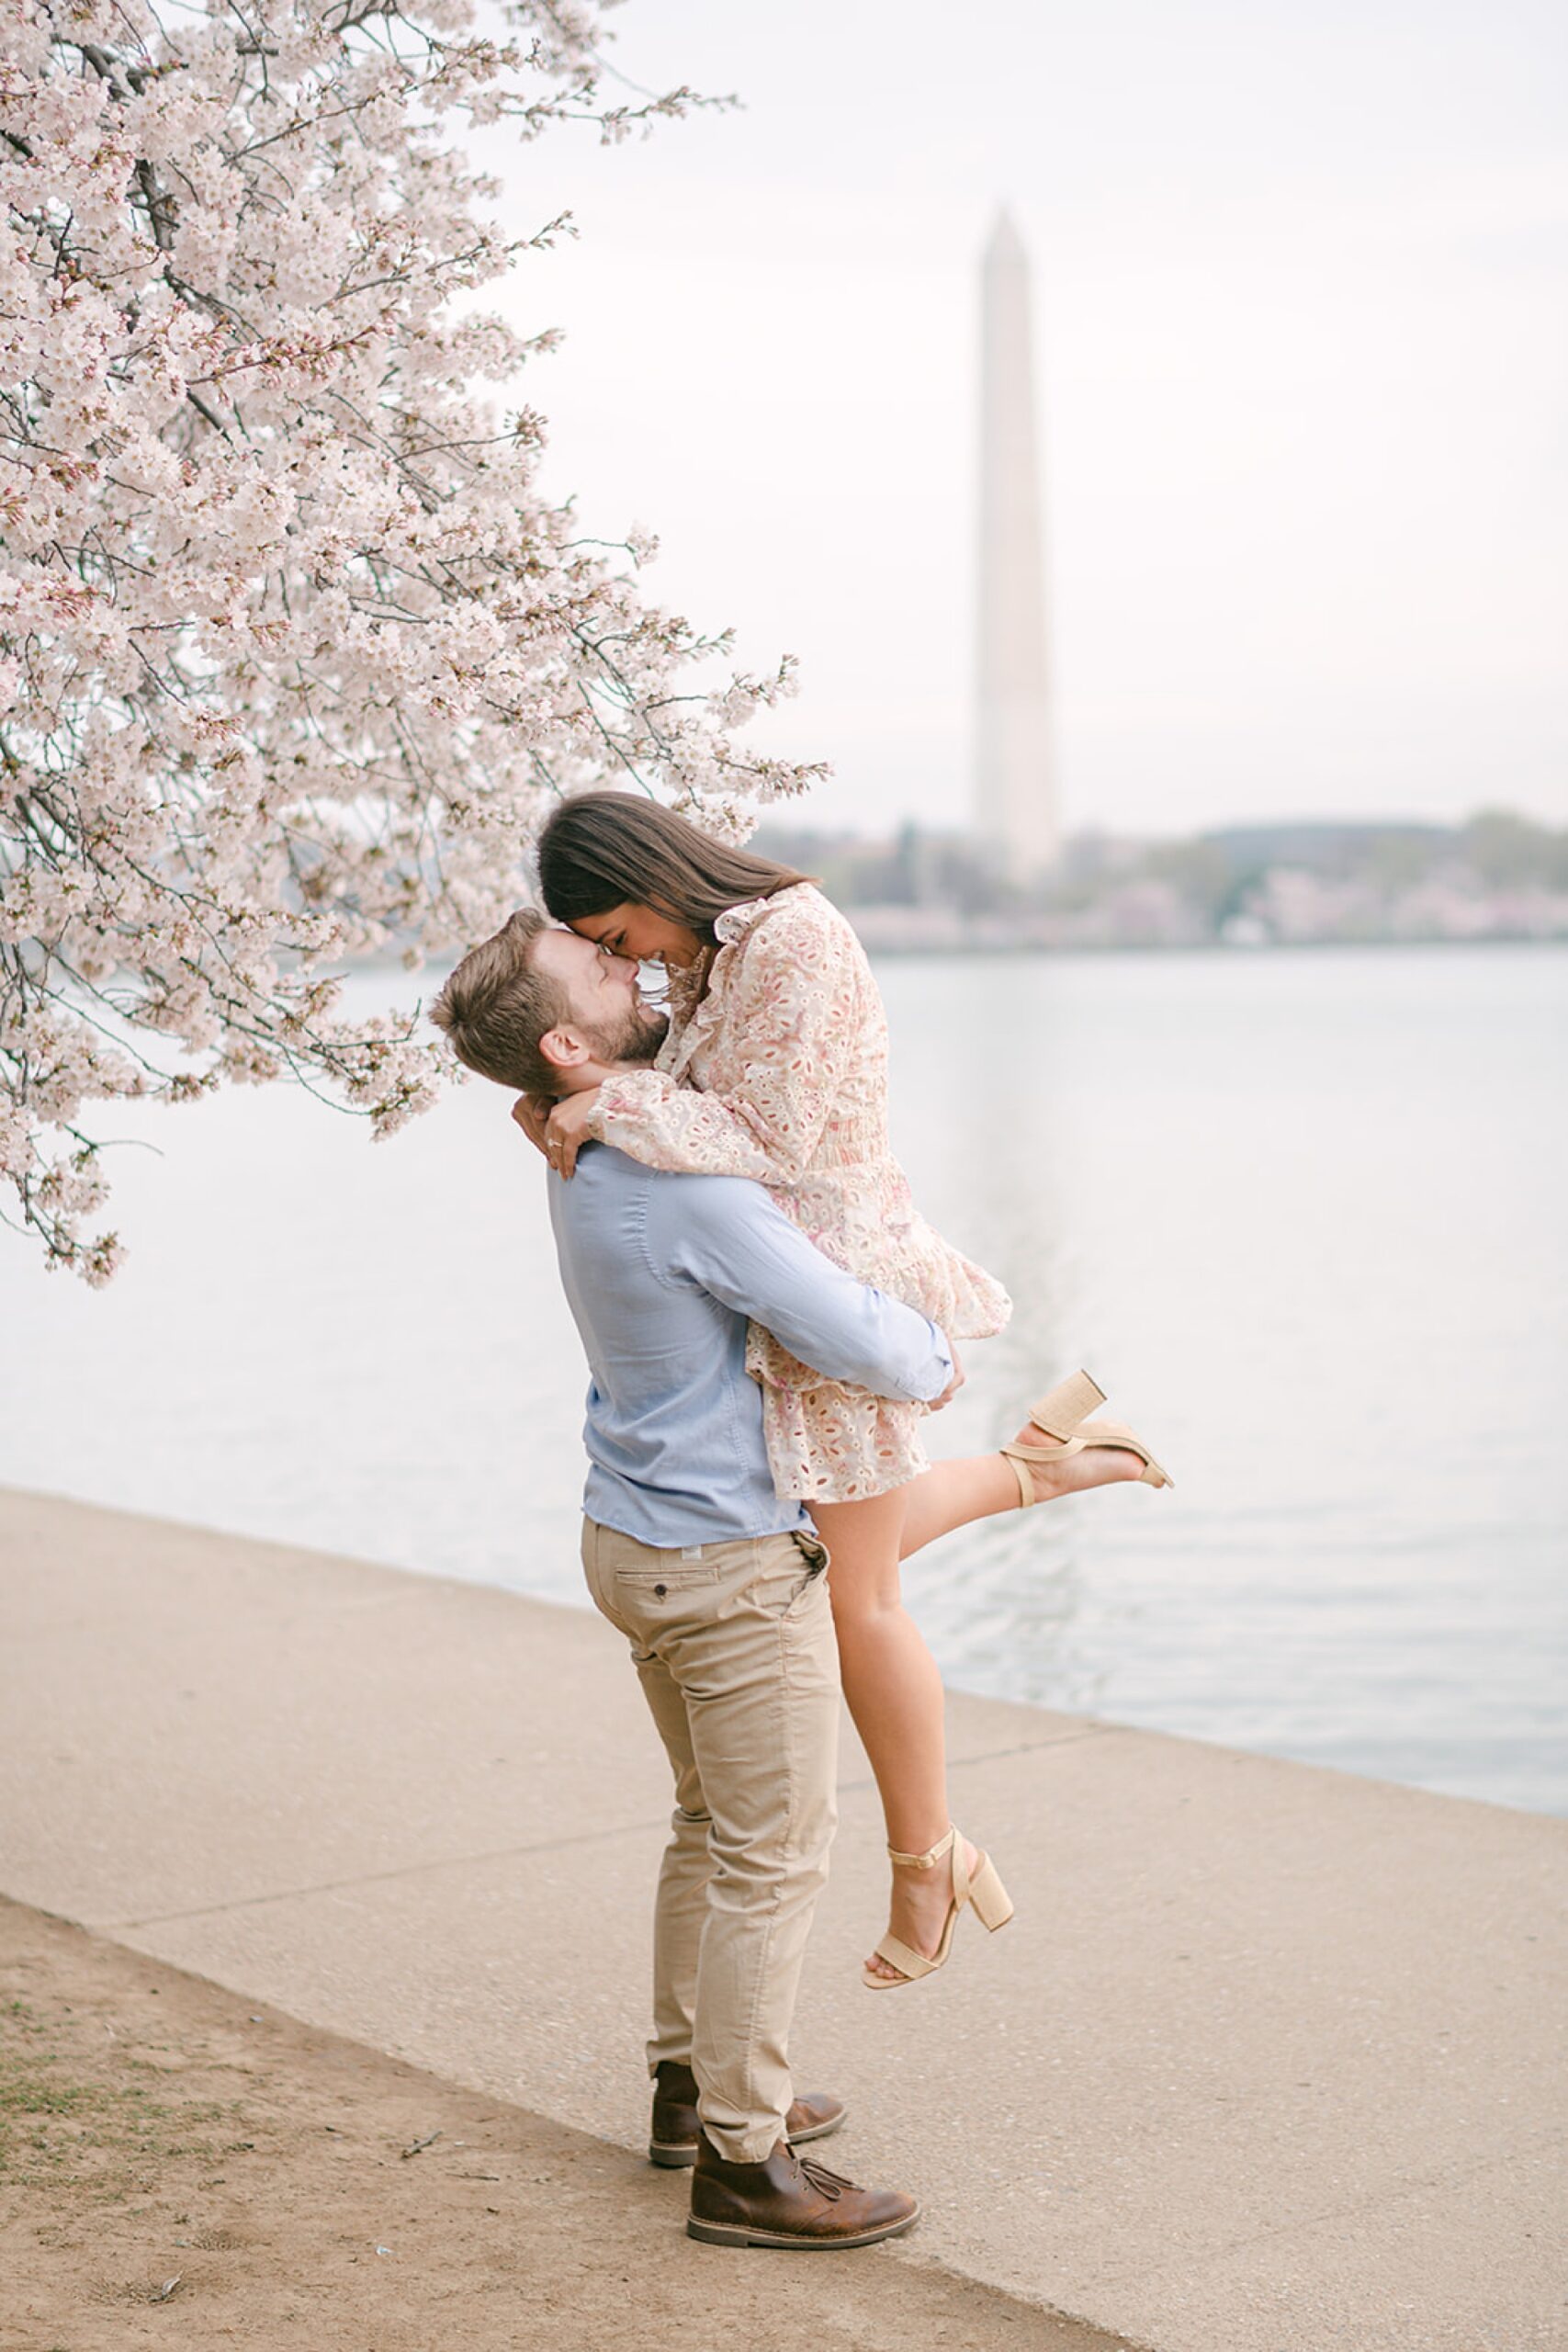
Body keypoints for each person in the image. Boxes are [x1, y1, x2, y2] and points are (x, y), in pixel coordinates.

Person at [429, 911, 1148, 2245]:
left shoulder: (581, 1148)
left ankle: (684, 2087)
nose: (636, 969)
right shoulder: (677, 1184)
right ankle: (742, 2164)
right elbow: (868, 1345)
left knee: (709, 1826)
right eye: (602, 968)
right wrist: (941, 1354)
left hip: (632, 1539)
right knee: (772, 1859)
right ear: (570, 1043)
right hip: (724, 1565)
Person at [529, 793, 1170, 1988]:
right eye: (611, 952)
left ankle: (930, 1858)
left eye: (619, 934)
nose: (628, 962)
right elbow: (684, 1106)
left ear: (650, 875)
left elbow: (763, 1139)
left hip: (833, 1290)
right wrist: (579, 1093)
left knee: (852, 1598)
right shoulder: (716, 962)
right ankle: (1043, 1465)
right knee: (837, 1561)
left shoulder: (794, 938)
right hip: (771, 1290)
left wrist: (605, 1101)